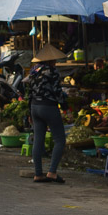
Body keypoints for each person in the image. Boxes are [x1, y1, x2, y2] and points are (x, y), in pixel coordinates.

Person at [26, 43, 68, 184]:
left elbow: (29, 92)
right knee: (59, 139)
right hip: (48, 107)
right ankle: (52, 172)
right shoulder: (52, 71)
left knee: (38, 139)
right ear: (51, 60)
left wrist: (29, 111)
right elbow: (57, 91)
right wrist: (64, 104)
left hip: (34, 107)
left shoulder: (33, 71)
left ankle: (38, 174)